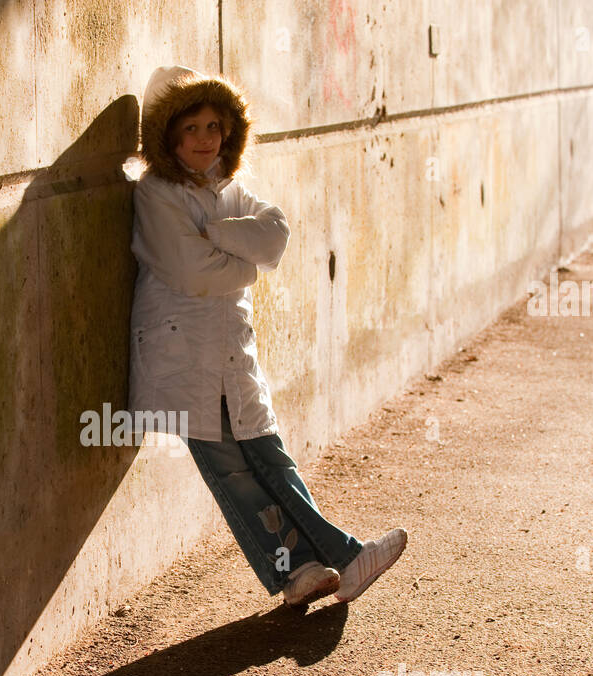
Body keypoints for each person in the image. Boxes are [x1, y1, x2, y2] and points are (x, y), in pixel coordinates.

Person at [128, 64, 407, 608]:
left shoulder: (227, 189)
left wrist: (215, 234)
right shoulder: (156, 193)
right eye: (191, 129)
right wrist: (245, 262)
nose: (206, 139)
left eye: (214, 126)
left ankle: (302, 572)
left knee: (268, 458)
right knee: (233, 473)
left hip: (230, 350)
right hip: (182, 356)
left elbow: (275, 234)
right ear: (167, 136)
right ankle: (340, 560)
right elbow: (190, 271)